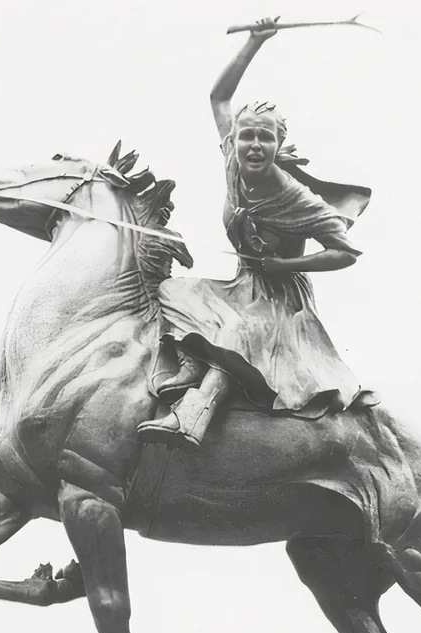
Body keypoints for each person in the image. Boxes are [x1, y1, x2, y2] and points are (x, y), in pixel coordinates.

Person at [137, 17, 371, 449]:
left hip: (281, 295)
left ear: (279, 146)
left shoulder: (296, 198)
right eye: (247, 136)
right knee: (172, 291)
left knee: (237, 333)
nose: (255, 145)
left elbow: (346, 251)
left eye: (266, 138)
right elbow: (219, 96)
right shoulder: (233, 157)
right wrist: (255, 41)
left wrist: (287, 264)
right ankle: (192, 363)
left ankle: (193, 417)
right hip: (245, 280)